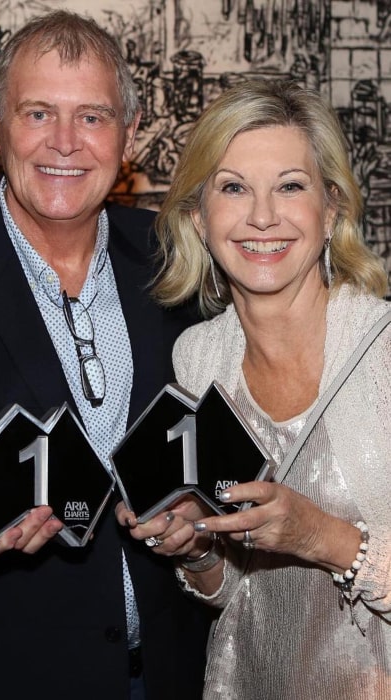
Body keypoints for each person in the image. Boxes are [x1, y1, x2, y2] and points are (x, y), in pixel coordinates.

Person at [0, 10, 210, 699]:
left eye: (92, 117)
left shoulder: (176, 262)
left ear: (127, 137)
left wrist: (198, 518)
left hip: (169, 673)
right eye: (38, 112)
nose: (65, 144)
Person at [116, 79, 391, 698]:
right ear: (198, 217)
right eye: (233, 187)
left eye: (290, 186)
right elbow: (246, 597)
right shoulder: (198, 357)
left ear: (332, 211)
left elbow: (309, 546)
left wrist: (321, 537)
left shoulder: (384, 352)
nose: (261, 216)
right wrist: (195, 548)